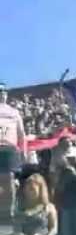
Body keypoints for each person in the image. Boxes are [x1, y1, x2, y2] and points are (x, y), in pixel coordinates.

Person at [0, 82, 26, 226]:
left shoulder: (14, 112)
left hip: (10, 149)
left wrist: (24, 152)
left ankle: (9, 212)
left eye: (4, 91)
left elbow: (21, 134)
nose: (1, 93)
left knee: (9, 180)